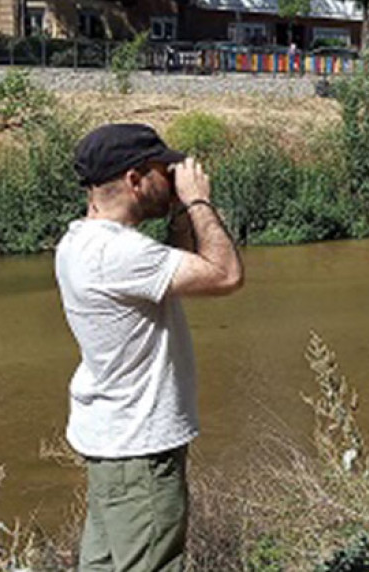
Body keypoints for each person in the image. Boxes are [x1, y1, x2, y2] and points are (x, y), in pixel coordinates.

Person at [55, 123, 243, 572]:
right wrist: (198, 201)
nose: (174, 177)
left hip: (112, 444)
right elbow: (224, 274)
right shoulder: (118, 255)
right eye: (163, 171)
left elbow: (174, 277)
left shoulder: (82, 243)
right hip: (140, 450)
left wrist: (177, 212)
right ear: (135, 181)